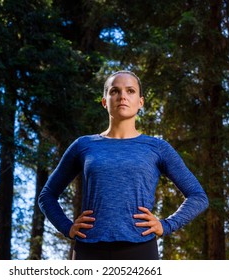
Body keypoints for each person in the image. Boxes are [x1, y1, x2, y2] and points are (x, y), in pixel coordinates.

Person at [38, 70, 209, 260]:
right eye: (114, 91)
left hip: (141, 249)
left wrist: (166, 225)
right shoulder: (83, 145)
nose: (122, 96)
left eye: (130, 91)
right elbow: (47, 196)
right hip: (88, 249)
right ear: (105, 101)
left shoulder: (157, 148)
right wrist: (67, 227)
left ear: (141, 102)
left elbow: (198, 196)